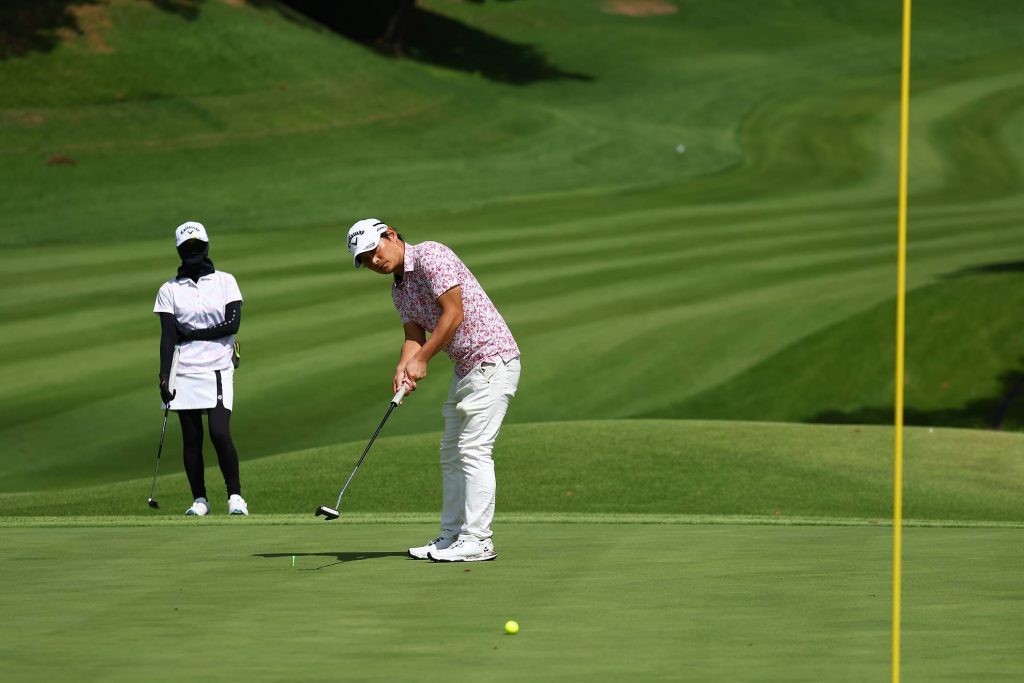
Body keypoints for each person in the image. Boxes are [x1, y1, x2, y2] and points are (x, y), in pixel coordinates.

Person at [346, 218, 521, 562]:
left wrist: (423, 359)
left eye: (373, 251)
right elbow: (413, 337)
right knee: (451, 452)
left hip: (492, 358)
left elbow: (453, 314)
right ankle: (451, 536)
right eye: (365, 260)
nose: (373, 261)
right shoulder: (399, 290)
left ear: (390, 235)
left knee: (473, 449)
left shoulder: (430, 255)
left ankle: (478, 540)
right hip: (465, 367)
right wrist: (403, 366)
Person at [153, 221, 248, 517]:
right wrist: (164, 377)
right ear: (180, 251)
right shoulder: (169, 290)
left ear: (206, 247)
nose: (193, 251)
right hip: (183, 369)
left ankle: (235, 497)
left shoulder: (226, 281)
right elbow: (168, 337)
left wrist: (193, 333)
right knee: (192, 439)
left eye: (197, 246)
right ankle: (200, 500)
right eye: (187, 247)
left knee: (219, 432)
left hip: (218, 366)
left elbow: (232, 325)